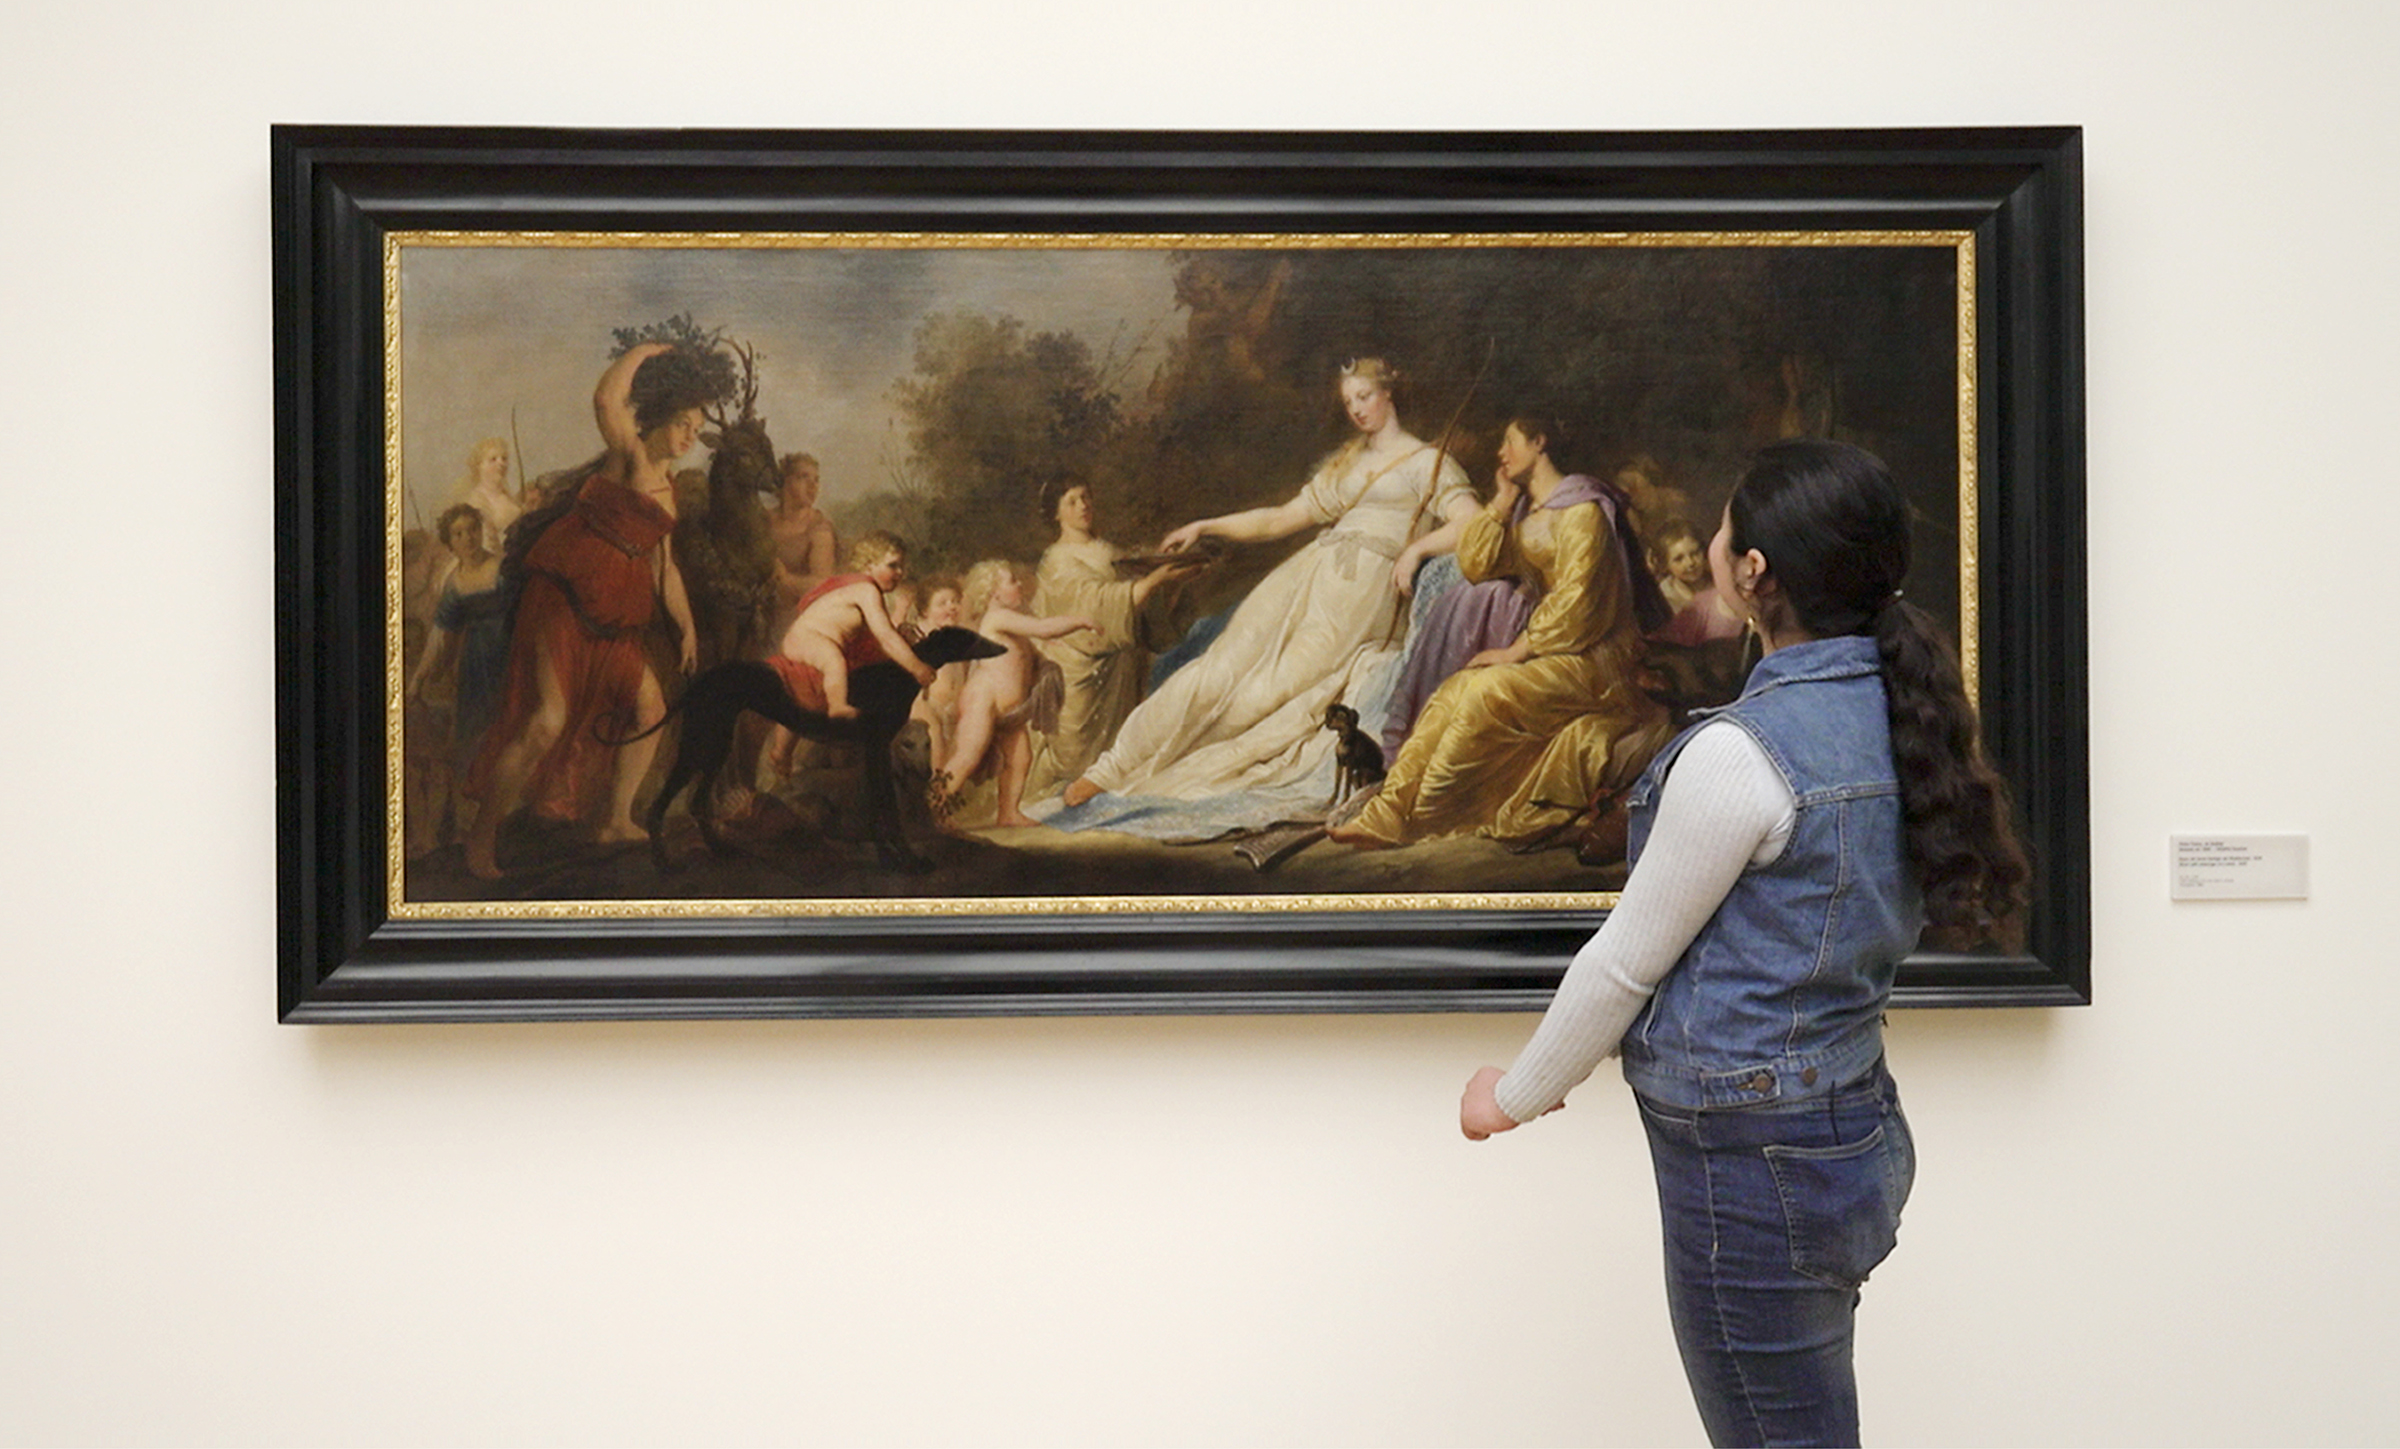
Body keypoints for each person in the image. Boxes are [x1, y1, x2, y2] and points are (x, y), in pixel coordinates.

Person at [1455, 440, 2029, 1447]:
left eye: (1724, 532)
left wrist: (1514, 1094)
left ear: (1753, 572)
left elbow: (1625, 960)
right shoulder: (1903, 710)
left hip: (1760, 1172)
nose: (1715, 544)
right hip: (1853, 1130)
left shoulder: (1739, 755)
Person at [1059, 357, 1475, 809]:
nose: (1356, 409)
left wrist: (1417, 549)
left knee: (1264, 695)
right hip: (1305, 578)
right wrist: (1206, 525)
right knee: (1218, 669)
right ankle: (1113, 767)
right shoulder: (1348, 463)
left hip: (1358, 601)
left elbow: (1473, 521)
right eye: (1348, 402)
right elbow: (1278, 519)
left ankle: (1167, 769)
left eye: (1364, 396)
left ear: (1388, 392)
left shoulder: (1427, 462)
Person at [1331, 415, 1671, 847]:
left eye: (1510, 441)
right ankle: (1389, 811)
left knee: (1485, 693)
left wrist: (1514, 652)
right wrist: (1500, 503)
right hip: (1551, 655)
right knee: (1454, 690)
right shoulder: (1528, 512)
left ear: (1539, 441)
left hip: (1594, 663)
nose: (1501, 452)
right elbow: (1479, 565)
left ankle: (1422, 817)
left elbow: (1579, 604)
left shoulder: (1584, 511)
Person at [460, 343, 706, 879]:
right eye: (683, 423)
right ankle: (482, 837)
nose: (691, 436)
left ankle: (614, 820)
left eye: (697, 429)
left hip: (615, 621)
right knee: (546, 722)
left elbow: (664, 570)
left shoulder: (669, 492)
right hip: (564, 602)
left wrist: (686, 626)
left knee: (650, 709)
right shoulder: (629, 454)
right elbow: (606, 399)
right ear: (660, 417)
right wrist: (647, 349)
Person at [1025, 480, 1203, 799]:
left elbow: (1140, 610)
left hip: (1123, 672)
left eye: (1086, 497)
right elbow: (1095, 607)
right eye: (1072, 501)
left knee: (1123, 760)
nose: (1083, 506)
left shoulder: (1108, 552)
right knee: (1076, 765)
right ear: (1056, 513)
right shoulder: (1056, 561)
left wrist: (1170, 584)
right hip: (1080, 677)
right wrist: (1155, 579)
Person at [928, 560, 1096, 828]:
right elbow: (1043, 628)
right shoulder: (997, 617)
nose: (1019, 585)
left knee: (1020, 760)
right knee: (965, 757)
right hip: (984, 701)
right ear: (993, 593)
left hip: (1010, 711)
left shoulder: (1011, 623)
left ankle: (1008, 813)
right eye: (1011, 581)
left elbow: (1024, 653)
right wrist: (1080, 620)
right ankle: (932, 812)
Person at [774, 532, 937, 723]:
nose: (900, 572)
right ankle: (837, 706)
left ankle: (782, 743)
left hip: (806, 639)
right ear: (869, 566)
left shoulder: (858, 588)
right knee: (834, 660)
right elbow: (886, 638)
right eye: (892, 566)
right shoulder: (866, 590)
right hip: (807, 638)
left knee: (805, 702)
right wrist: (917, 668)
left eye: (902, 567)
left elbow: (877, 639)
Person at [767, 451, 840, 637]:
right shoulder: (763, 521)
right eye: (803, 477)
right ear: (785, 482)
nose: (812, 486)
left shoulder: (819, 529)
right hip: (761, 611)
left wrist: (784, 579)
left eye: (816, 480)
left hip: (799, 618)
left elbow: (822, 584)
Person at [456, 436, 520, 557]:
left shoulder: (507, 495)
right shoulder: (477, 501)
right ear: (479, 466)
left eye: (504, 458)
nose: (501, 463)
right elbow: (485, 545)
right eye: (493, 459)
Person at [1649, 515, 1711, 614]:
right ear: (1665, 565)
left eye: (1695, 553)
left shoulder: (1719, 581)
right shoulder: (1665, 599)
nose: (1690, 563)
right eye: (1679, 559)